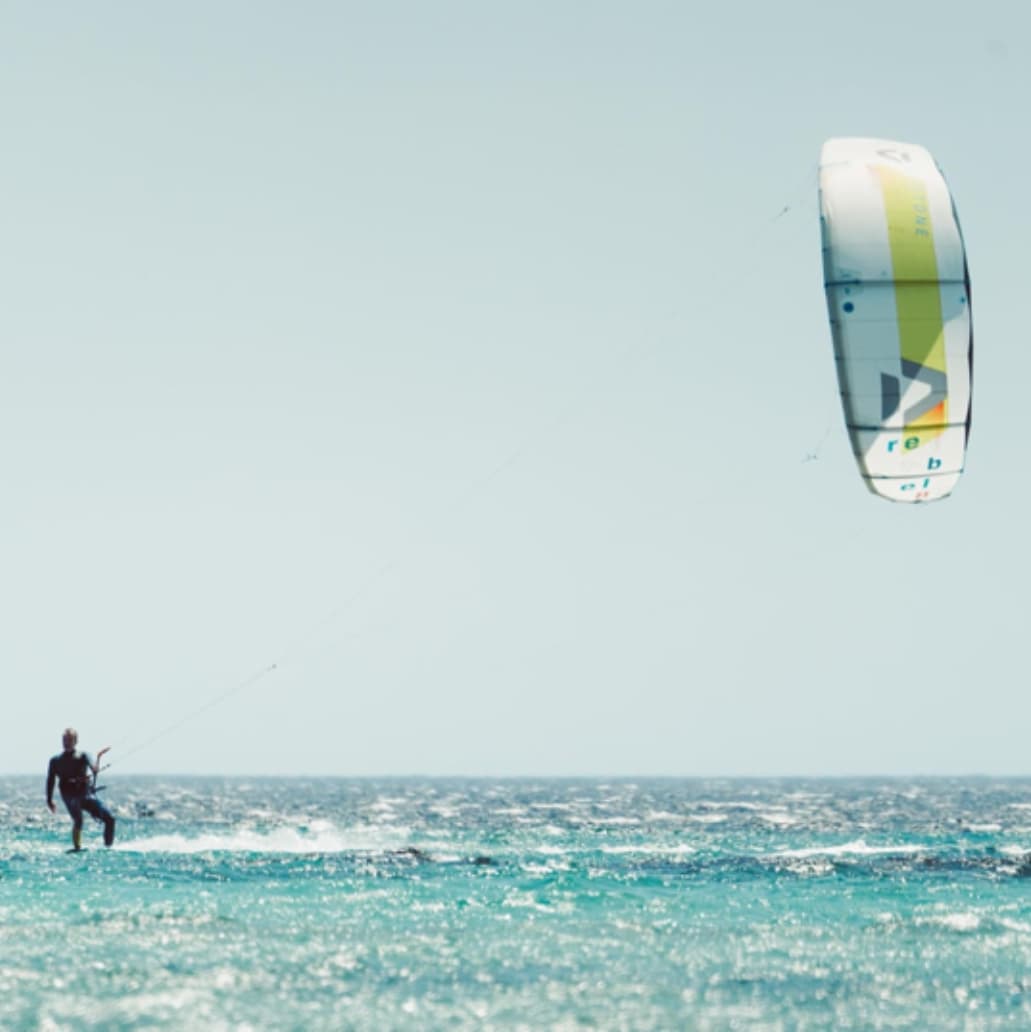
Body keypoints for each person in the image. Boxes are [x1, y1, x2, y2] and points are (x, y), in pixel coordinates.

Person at [46, 728, 116, 850]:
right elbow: (51, 780)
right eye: (64, 740)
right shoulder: (55, 761)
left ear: (75, 741)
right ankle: (77, 848)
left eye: (69, 740)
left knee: (110, 819)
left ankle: (108, 848)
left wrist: (94, 768)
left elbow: (92, 764)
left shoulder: (83, 755)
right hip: (68, 794)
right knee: (78, 819)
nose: (66, 742)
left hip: (85, 792)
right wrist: (49, 800)